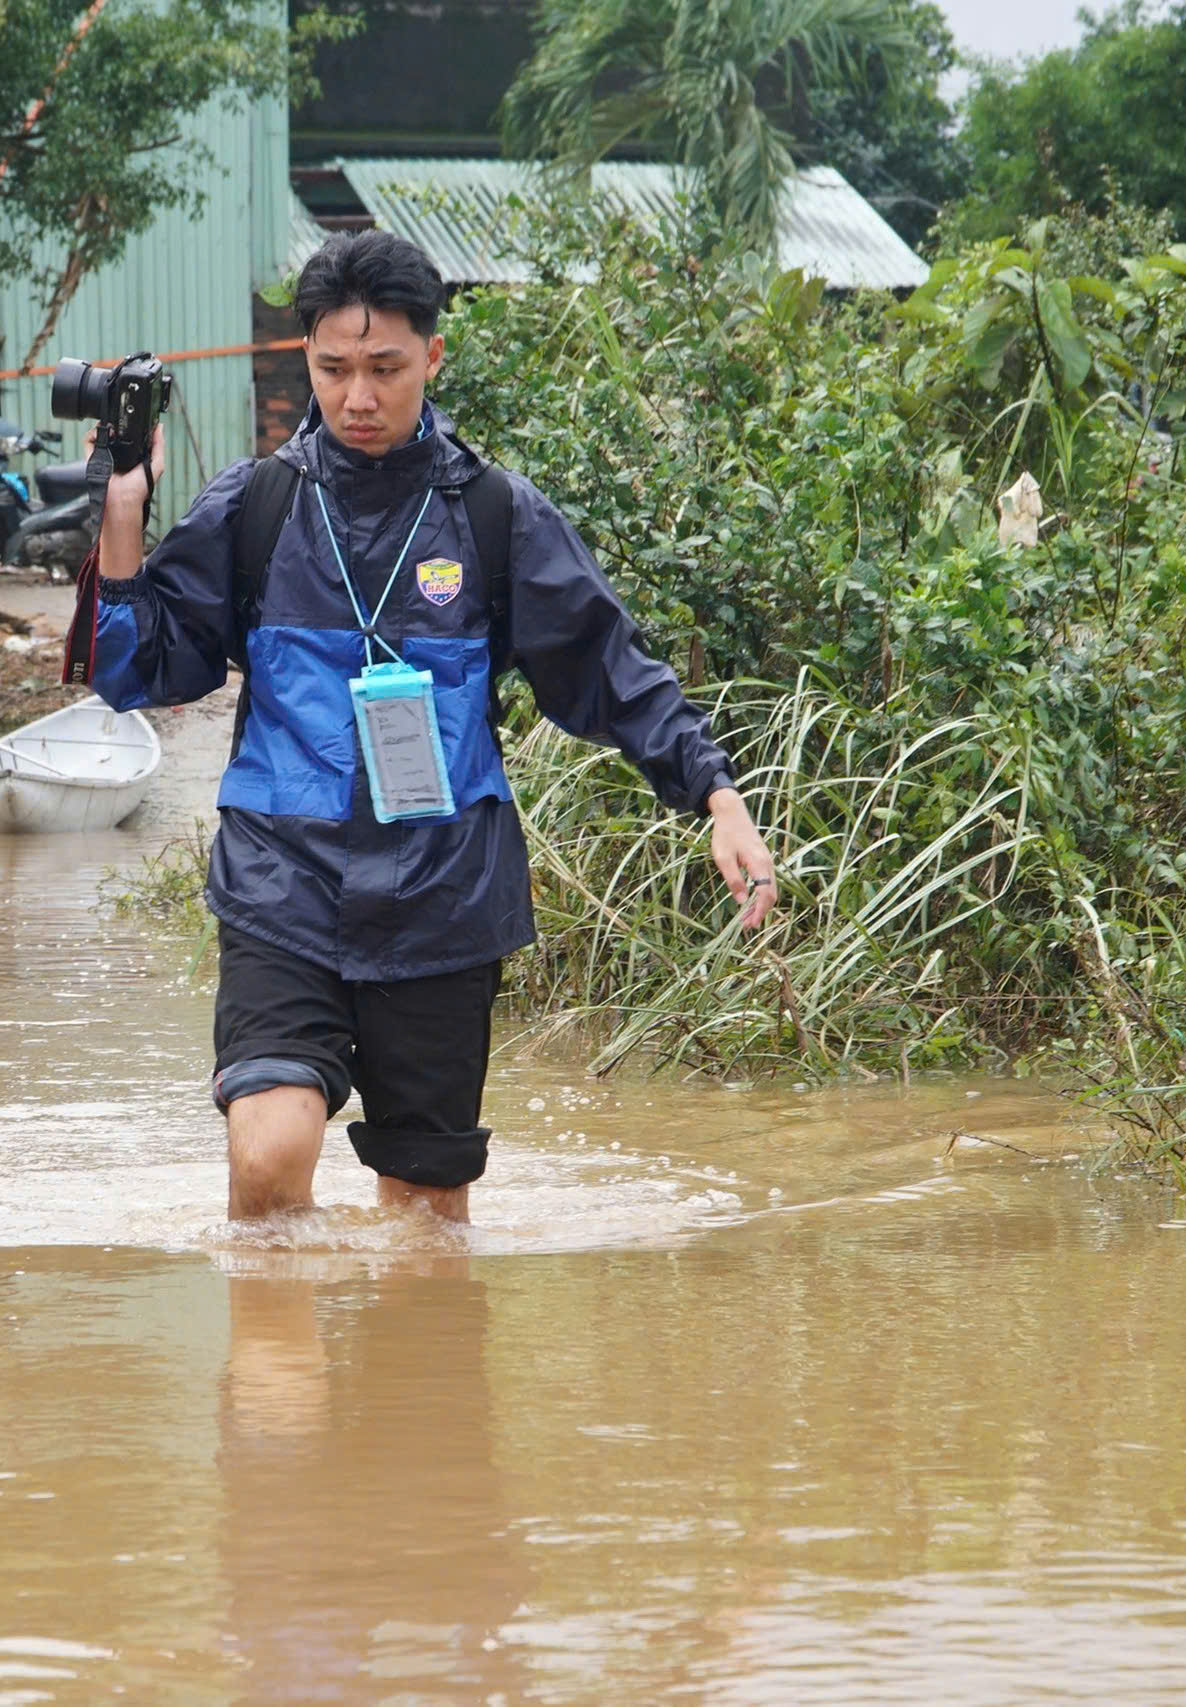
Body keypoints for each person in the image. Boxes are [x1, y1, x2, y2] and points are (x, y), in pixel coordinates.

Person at [86, 229, 775, 1224]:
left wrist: (717, 794)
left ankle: (403, 1381)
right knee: (270, 1157)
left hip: (443, 894)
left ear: (433, 359)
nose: (357, 398)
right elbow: (138, 669)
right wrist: (122, 509)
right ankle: (276, 1374)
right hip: (283, 879)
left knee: (423, 1214)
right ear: (306, 362)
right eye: (332, 370)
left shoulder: (496, 517)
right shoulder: (258, 508)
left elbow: (611, 671)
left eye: (384, 369)